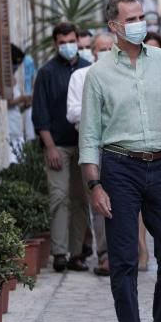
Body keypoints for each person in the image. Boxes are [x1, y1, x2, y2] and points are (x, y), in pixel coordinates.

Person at [79, 0, 161, 322]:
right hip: (119, 167)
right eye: (131, 18)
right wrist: (94, 185)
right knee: (124, 260)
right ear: (113, 26)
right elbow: (90, 135)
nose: (140, 23)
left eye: (142, 16)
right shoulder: (98, 74)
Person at [32, 22, 92, 272]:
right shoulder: (46, 73)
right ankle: (58, 252)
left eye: (71, 40)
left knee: (80, 199)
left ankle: (77, 253)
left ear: (78, 40)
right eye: (62, 42)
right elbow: (40, 113)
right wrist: (50, 147)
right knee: (58, 198)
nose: (67, 46)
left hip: (84, 144)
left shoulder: (90, 70)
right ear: (56, 43)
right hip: (58, 145)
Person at [66, 32, 117, 277]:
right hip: (93, 143)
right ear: (93, 52)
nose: (105, 52)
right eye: (101, 48)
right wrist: (97, 108)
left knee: (123, 199)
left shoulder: (124, 76)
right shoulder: (80, 76)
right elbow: (73, 113)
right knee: (99, 198)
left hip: (120, 143)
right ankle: (105, 254)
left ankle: (125, 252)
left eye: (110, 48)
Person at [6, 44, 31, 161]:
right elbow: (8, 101)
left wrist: (25, 103)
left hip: (16, 125)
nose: (16, 67)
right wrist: (22, 99)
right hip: (9, 126)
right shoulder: (7, 80)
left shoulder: (14, 78)